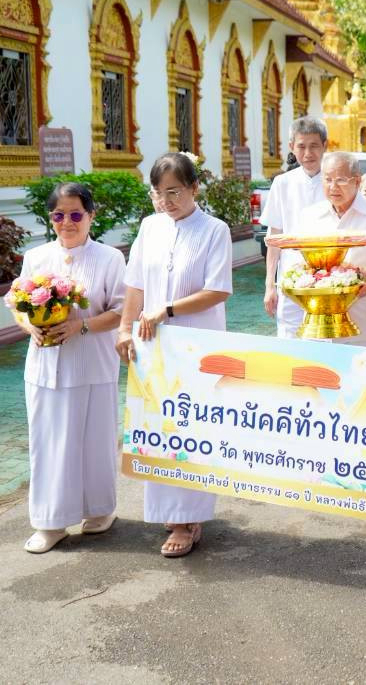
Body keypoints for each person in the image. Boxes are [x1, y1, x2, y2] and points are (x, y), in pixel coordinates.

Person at [117, 153, 233, 557]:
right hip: (153, 346)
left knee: (191, 429)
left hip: (197, 347)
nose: (166, 201)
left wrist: (167, 310)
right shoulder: (150, 227)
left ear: (194, 188)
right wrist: (123, 328)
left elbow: (217, 289)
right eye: (158, 193)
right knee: (160, 428)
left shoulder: (214, 230)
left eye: (174, 192)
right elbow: (134, 284)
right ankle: (169, 511)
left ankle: (189, 519)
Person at [15, 182, 126, 554]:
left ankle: (100, 510)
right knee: (48, 445)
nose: (68, 222)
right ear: (51, 219)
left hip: (93, 363)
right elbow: (16, 302)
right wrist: (30, 325)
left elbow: (121, 310)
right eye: (59, 215)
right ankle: (50, 522)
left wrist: (80, 326)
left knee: (95, 441)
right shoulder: (36, 257)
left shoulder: (110, 258)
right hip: (45, 367)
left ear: (91, 216)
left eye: (76, 214)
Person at [293, 151, 366, 346]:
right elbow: (300, 262)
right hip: (318, 322)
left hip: (364, 319)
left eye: (340, 180)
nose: (333, 187)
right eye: (328, 179)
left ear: (357, 181)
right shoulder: (309, 215)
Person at [261, 117, 327, 338]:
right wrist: (270, 284)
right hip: (291, 278)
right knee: (290, 338)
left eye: (314, 146)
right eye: (301, 146)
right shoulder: (283, 183)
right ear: (292, 147)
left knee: (327, 338)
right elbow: (274, 235)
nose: (308, 153)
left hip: (329, 277)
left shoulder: (334, 181)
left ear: (325, 146)